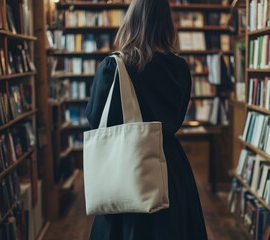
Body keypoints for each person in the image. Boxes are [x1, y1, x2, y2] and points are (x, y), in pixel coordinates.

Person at [85, 0, 208, 239]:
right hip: (170, 168)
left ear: (131, 20)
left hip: (126, 168)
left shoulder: (114, 66)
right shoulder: (180, 68)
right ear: (167, 24)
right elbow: (177, 116)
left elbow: (95, 119)